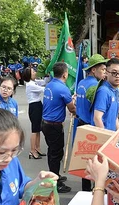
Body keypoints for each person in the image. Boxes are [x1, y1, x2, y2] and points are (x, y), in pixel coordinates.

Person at [42, 62, 76, 193]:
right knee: (56, 154)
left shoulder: (50, 85)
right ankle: (55, 183)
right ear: (65, 74)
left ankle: (54, 175)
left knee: (52, 152)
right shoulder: (63, 88)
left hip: (46, 123)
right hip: (54, 126)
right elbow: (71, 107)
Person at [76, 54, 108, 191]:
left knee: (85, 160)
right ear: (93, 70)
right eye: (103, 70)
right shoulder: (96, 87)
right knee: (96, 161)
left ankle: (85, 190)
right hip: (91, 127)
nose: (105, 73)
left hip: (80, 124)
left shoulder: (81, 83)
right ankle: (97, 190)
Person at [91, 58, 119, 131]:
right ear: (106, 73)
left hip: (111, 136)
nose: (118, 76)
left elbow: (115, 117)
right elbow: (97, 118)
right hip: (103, 138)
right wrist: (105, 137)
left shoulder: (115, 90)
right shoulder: (104, 91)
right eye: (114, 72)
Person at [23, 67, 45, 160]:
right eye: (33, 72)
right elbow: (44, 88)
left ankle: (38, 148)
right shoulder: (30, 85)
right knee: (35, 130)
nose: (35, 72)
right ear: (29, 75)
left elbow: (44, 82)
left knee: (38, 128)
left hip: (38, 105)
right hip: (34, 106)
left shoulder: (34, 82)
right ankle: (32, 150)